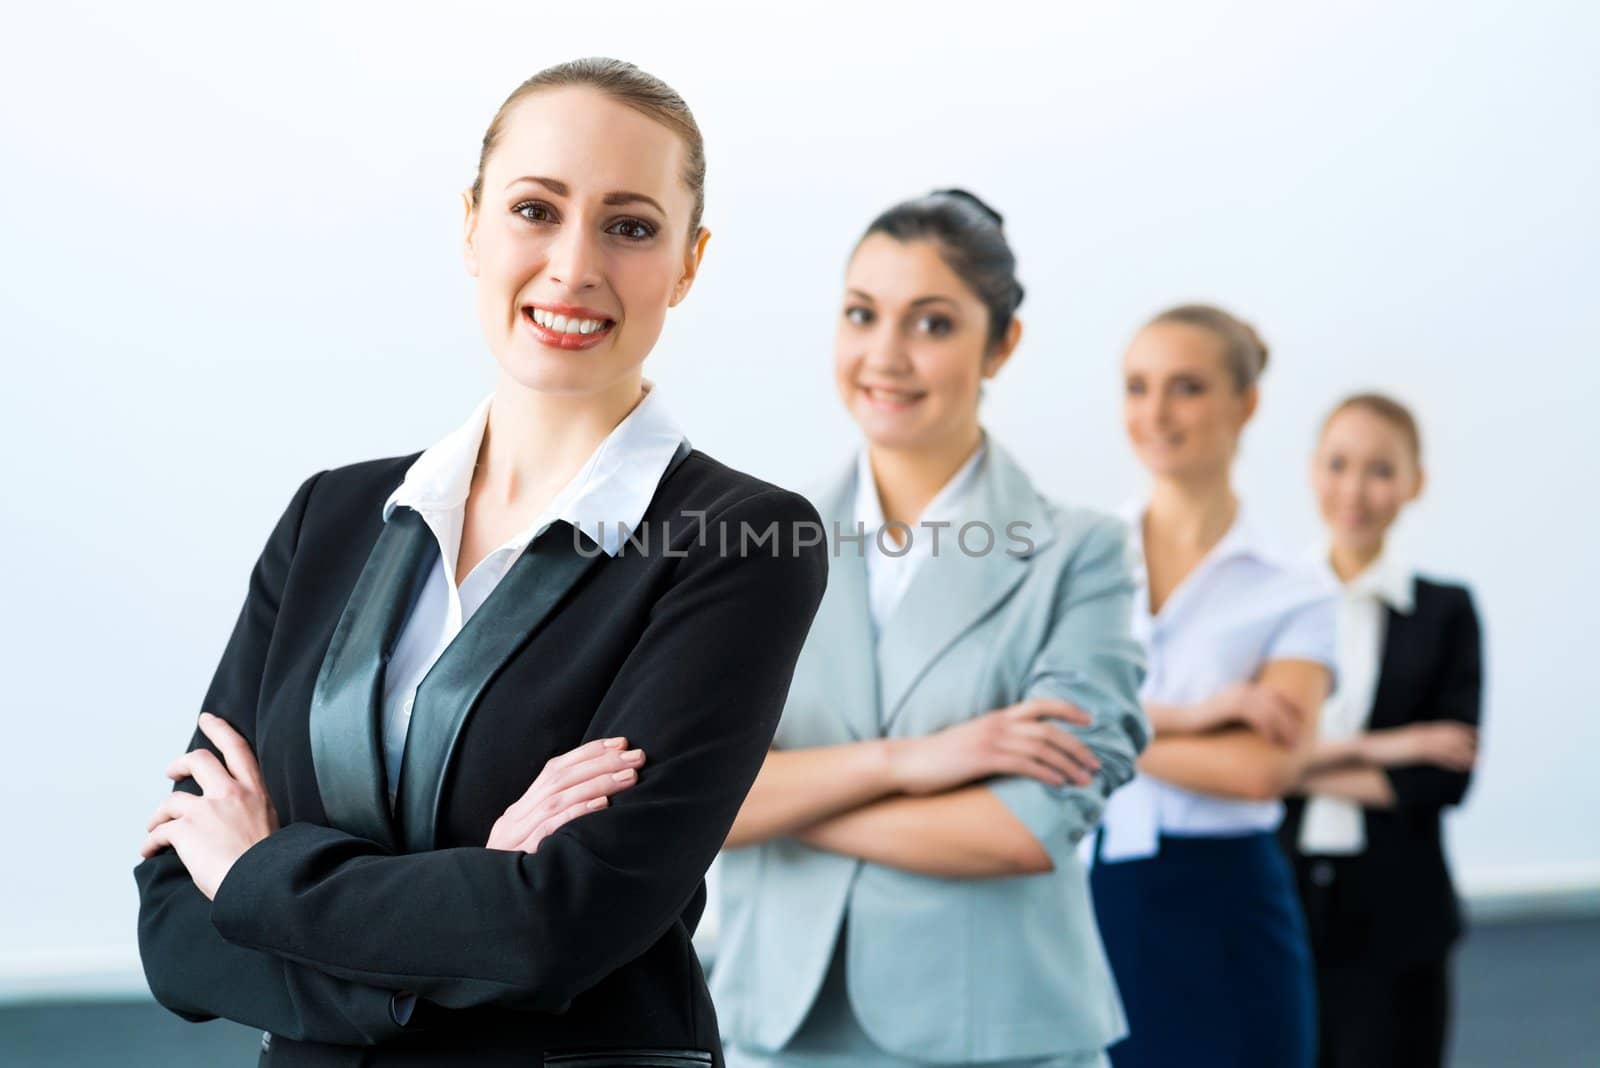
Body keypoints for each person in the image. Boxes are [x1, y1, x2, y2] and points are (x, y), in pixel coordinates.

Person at [132, 57, 829, 1067]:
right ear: (471, 225)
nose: (573, 266)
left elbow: (558, 927)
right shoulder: (331, 517)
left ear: (688, 262)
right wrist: (471, 897)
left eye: (629, 226)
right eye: (535, 209)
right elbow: (170, 928)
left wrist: (255, 876)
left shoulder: (741, 542)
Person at [711, 189, 1149, 1068]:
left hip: (1000, 1037)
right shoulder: (749, 542)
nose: (885, 355)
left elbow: (1024, 828)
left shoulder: (1082, 555)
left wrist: (773, 799)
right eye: (861, 314)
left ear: (1003, 344)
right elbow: (680, 791)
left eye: (932, 324)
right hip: (773, 1031)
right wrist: (911, 762)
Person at [1089, 304, 1337, 1068]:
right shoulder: (1080, 560)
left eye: (1186, 387)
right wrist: (1201, 718)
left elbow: (1264, 769)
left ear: (1246, 403)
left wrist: (1098, 723)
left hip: (1229, 905)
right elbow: (1023, 714)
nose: (1155, 413)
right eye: (1137, 387)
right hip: (1093, 900)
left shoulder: (1297, 589)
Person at [1278, 393, 1483, 1068]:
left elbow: (1441, 778)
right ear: (1312, 471)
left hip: (1401, 908)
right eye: (1338, 465)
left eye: (1380, 470)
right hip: (1280, 894)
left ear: (1414, 483)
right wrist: (1388, 746)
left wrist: (1295, 763)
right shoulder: (1269, 600)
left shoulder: (1446, 612)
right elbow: (1247, 763)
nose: (1354, 492)